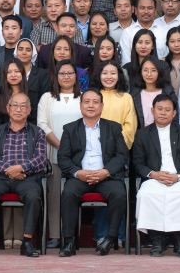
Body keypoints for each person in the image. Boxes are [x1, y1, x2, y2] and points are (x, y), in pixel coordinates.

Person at [0, 92, 49, 258]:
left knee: (33, 196)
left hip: (26, 177)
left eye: (23, 106)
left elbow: (41, 159)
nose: (19, 109)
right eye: (15, 105)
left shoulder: (38, 133)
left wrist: (22, 168)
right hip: (0, 177)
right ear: (8, 108)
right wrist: (10, 170)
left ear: (29, 110)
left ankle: (27, 242)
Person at [56, 89, 130, 257]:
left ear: (102, 106)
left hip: (106, 176)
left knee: (119, 194)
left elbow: (122, 155)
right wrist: (77, 173)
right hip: (80, 176)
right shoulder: (70, 129)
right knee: (68, 193)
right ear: (80, 105)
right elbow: (63, 158)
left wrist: (106, 171)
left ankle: (110, 239)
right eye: (87, 102)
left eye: (95, 102)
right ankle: (68, 241)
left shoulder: (113, 127)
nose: (91, 105)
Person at [133, 94, 180, 257]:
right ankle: (157, 239)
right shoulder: (142, 134)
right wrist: (154, 174)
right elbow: (137, 163)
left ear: (174, 113)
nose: (163, 113)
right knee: (147, 194)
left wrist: (178, 176)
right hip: (154, 178)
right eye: (159, 109)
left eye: (167, 110)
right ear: (152, 110)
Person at [37, 60, 83, 249]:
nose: (66, 77)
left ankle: (72, 235)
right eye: (62, 73)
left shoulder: (82, 97)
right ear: (56, 77)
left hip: (79, 156)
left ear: (76, 76)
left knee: (73, 195)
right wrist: (61, 144)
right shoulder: (47, 98)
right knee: (54, 196)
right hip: (53, 152)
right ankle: (55, 235)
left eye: (70, 73)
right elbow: (42, 124)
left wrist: (71, 148)